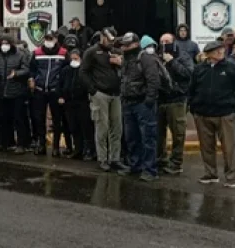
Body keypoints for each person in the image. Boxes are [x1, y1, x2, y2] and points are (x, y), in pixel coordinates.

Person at [189, 41, 235, 188]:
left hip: (225, 114)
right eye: (216, 51)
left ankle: (231, 177)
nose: (220, 53)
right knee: (206, 147)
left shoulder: (231, 68)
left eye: (221, 50)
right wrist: (193, 108)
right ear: (208, 54)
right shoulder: (199, 69)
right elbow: (192, 89)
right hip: (202, 114)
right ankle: (210, 174)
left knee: (229, 148)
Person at [80, 28, 125, 172]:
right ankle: (102, 158)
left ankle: (115, 158)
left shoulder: (116, 51)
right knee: (102, 127)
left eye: (112, 40)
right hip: (100, 93)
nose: (110, 42)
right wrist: (92, 90)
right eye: (108, 39)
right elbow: (83, 72)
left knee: (116, 128)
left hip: (116, 94)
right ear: (102, 37)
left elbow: (126, 68)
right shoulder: (92, 52)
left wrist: (120, 63)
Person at [119, 34, 161, 181]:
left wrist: (149, 100)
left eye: (127, 44)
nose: (124, 47)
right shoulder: (126, 60)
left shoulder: (145, 58)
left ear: (136, 44)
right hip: (128, 103)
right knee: (131, 137)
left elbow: (153, 80)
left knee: (148, 137)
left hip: (143, 103)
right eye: (124, 45)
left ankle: (150, 170)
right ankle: (135, 165)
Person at [0, 35, 31, 154]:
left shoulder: (20, 55)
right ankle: (3, 142)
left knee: (19, 119)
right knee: (2, 119)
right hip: (1, 92)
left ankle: (21, 144)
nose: (4, 46)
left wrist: (16, 74)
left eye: (6, 43)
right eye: (2, 43)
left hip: (16, 91)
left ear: (11, 44)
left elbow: (26, 70)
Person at [156, 33, 193, 174]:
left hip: (177, 100)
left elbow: (188, 74)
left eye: (167, 41)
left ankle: (176, 162)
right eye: (162, 41)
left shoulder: (183, 56)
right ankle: (160, 160)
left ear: (174, 42)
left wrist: (172, 62)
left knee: (178, 133)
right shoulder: (157, 56)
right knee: (158, 133)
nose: (164, 44)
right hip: (160, 99)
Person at [29, 33, 67, 156]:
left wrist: (61, 89)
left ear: (56, 39)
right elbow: (32, 69)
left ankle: (56, 147)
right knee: (39, 118)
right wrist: (31, 79)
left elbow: (66, 72)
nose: (48, 41)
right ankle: (41, 144)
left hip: (55, 90)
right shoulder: (37, 53)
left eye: (51, 39)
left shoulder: (63, 53)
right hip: (40, 89)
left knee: (57, 119)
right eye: (47, 39)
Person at [58, 48, 93, 160]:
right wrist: (61, 96)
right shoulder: (65, 70)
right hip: (69, 102)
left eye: (76, 58)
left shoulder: (85, 71)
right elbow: (60, 84)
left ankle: (89, 150)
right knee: (73, 127)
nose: (74, 61)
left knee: (86, 127)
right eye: (72, 58)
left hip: (83, 102)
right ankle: (78, 149)